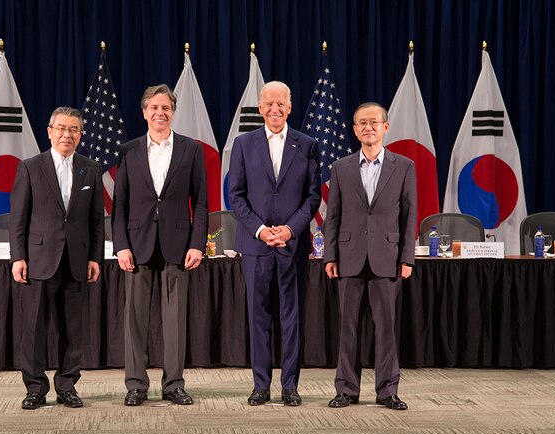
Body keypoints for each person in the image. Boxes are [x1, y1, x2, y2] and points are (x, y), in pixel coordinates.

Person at [112, 84, 207, 406]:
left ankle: (174, 384)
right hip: (136, 246)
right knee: (135, 321)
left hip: (179, 245)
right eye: (154, 107)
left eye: (165, 108)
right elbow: (120, 204)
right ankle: (136, 384)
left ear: (172, 112)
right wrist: (121, 246)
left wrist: (198, 244)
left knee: (175, 321)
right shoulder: (128, 151)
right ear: (144, 112)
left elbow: (203, 203)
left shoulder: (191, 150)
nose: (160, 113)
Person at [229, 81, 321, 406]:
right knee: (258, 316)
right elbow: (235, 195)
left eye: (280, 103)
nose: (274, 109)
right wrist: (260, 230)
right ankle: (260, 385)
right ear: (260, 107)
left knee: (292, 317)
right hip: (256, 246)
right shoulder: (243, 144)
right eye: (269, 103)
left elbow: (313, 198)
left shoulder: (307, 145)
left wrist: (289, 230)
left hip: (292, 246)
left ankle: (290, 386)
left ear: (290, 107)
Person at [323, 102, 417, 410]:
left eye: (374, 123)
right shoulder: (341, 167)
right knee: (348, 327)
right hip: (349, 258)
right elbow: (332, 215)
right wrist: (329, 256)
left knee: (386, 328)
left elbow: (409, 215)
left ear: (385, 127)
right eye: (362, 123)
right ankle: (346, 390)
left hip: (387, 258)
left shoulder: (403, 166)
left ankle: (387, 391)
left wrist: (406, 258)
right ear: (354, 129)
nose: (368, 128)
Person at [10, 107, 105, 409]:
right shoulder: (30, 167)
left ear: (80, 134)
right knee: (35, 328)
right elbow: (19, 218)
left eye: (74, 129)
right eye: (61, 128)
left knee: (73, 329)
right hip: (38, 259)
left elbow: (96, 221)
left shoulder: (90, 168)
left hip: (76, 260)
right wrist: (18, 257)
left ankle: (67, 386)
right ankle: (35, 388)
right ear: (49, 131)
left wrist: (95, 258)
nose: (67, 134)